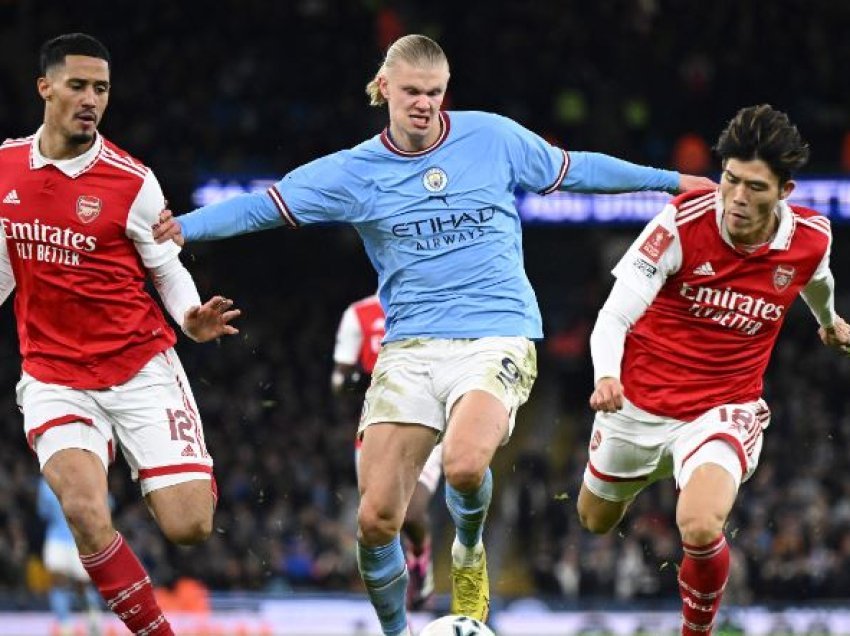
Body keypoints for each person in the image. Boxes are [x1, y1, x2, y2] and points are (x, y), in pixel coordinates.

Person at [153, 34, 713, 636]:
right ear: (384, 89)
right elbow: (268, 204)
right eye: (413, 92)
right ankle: (398, 632)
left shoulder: (493, 138)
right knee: (374, 521)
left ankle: (468, 551)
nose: (425, 104)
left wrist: (670, 180)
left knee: (465, 464)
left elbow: (575, 169)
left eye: (436, 93)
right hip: (409, 349)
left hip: (496, 335)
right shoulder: (354, 171)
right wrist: (185, 227)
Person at [577, 104, 850, 635]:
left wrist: (829, 320)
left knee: (700, 525)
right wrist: (606, 376)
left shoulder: (811, 237)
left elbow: (817, 279)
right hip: (636, 403)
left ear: (785, 193)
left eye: (755, 187)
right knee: (593, 520)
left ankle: (694, 632)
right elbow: (613, 317)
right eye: (729, 180)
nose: (738, 199)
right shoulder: (681, 224)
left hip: (723, 408)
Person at [0, 34, 240, 636]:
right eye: (78, 85)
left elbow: (166, 267)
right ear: (44, 87)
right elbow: (7, 262)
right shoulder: (3, 168)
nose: (90, 99)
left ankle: (156, 467)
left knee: (190, 527)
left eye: (101, 89)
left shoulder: (131, 181)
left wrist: (190, 318)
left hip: (139, 368)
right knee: (82, 510)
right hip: (54, 375)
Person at [332, 292, 442, 610]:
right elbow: (339, 379)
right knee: (378, 521)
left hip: (429, 418)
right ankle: (395, 604)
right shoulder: (359, 314)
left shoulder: (438, 300)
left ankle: (421, 558)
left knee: (411, 511)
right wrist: (356, 379)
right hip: (377, 423)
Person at [37, 477, 102, 636]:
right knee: (58, 583)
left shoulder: (82, 475)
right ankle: (65, 628)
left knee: (83, 585)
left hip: (79, 540)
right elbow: (43, 511)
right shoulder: (45, 481)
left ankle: (94, 624)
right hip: (56, 539)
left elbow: (104, 505)